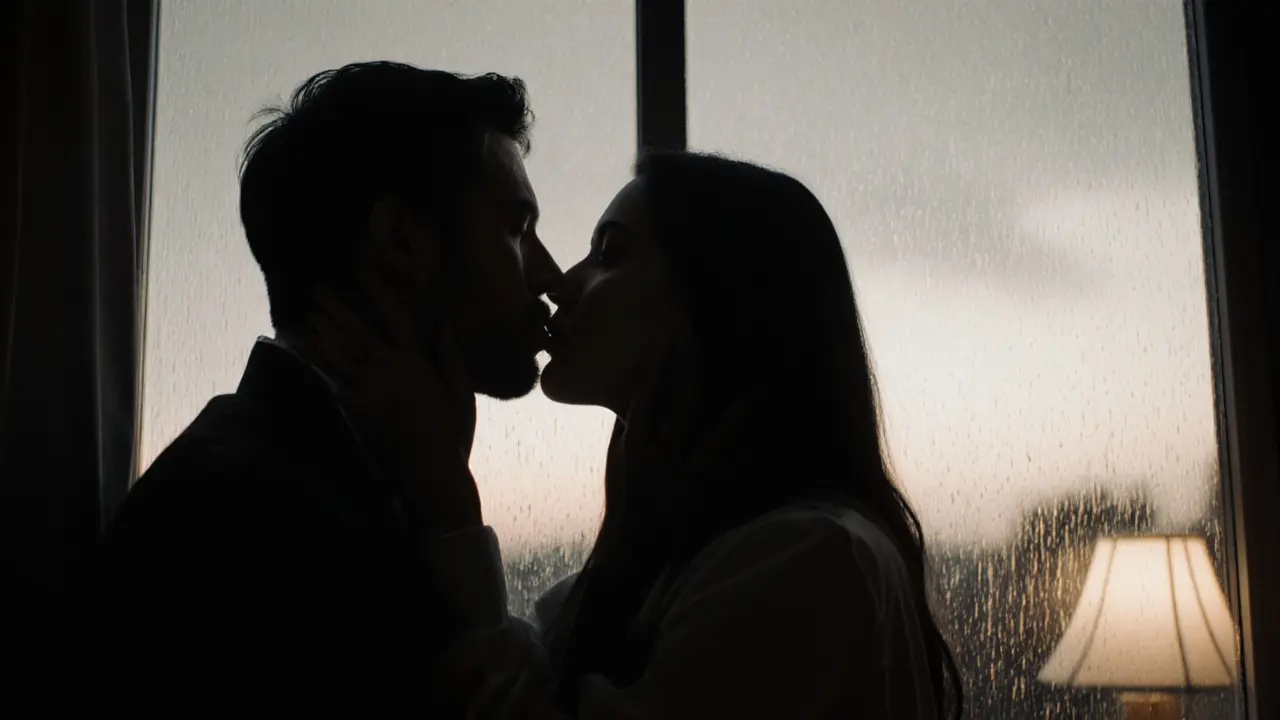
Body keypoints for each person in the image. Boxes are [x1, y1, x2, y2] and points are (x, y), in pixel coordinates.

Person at [318, 152, 965, 718]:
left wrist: (447, 501)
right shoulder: (672, 558)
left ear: (716, 299)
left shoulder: (812, 558)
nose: (562, 284)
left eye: (610, 254)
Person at [87, 61, 562, 715]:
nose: (551, 274)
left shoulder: (295, 469)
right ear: (398, 240)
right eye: (517, 228)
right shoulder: (246, 521)